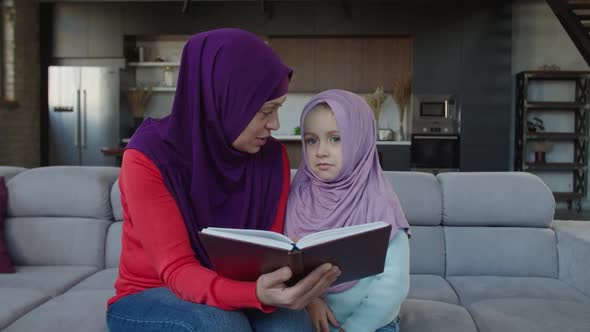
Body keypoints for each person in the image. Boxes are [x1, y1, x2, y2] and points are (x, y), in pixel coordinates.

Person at [106, 28, 341, 332]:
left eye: (277, 108)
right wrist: (254, 294)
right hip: (150, 293)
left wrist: (303, 289)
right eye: (265, 111)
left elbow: (270, 253)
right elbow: (177, 270)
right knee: (220, 324)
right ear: (225, 102)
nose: (275, 124)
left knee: (291, 323)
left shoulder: (272, 157)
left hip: (240, 288)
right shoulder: (147, 156)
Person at [285, 90, 411, 332]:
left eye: (336, 139)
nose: (321, 151)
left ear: (359, 140)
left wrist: (354, 329)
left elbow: (392, 284)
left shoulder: (379, 201)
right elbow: (288, 262)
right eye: (312, 140)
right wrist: (310, 300)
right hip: (310, 317)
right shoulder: (297, 196)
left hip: (371, 325)